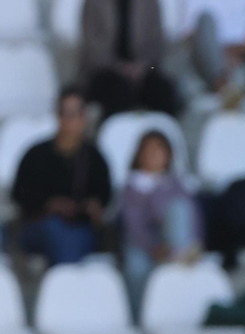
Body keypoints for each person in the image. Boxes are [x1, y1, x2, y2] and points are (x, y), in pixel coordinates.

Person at [10, 89, 111, 267]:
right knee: (57, 231)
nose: (70, 119)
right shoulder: (36, 154)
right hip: (40, 227)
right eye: (65, 113)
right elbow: (19, 194)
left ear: (84, 118)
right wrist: (50, 205)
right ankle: (67, 279)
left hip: (81, 228)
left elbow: (104, 197)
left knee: (73, 237)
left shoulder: (94, 158)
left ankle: (64, 279)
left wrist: (89, 206)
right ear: (57, 116)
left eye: (75, 113)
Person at [120, 129, 203, 312]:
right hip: (143, 246)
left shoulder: (176, 185)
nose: (153, 155)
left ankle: (180, 254)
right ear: (139, 155)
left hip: (173, 244)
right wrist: (154, 249)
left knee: (179, 208)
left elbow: (193, 218)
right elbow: (134, 226)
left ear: (168, 156)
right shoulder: (131, 187)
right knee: (136, 268)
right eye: (148, 150)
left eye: (159, 150)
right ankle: (140, 315)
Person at [81, 0, 181, 117]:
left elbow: (156, 43)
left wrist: (141, 67)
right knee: (116, 92)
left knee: (162, 91)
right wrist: (119, 67)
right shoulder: (93, 3)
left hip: (143, 71)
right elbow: (92, 47)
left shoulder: (150, 3)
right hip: (104, 71)